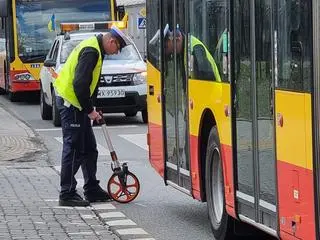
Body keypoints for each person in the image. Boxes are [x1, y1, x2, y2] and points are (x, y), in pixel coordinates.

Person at [53, 26, 131, 207]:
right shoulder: (91, 51)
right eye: (117, 48)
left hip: (77, 104)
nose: (115, 52)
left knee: (89, 148)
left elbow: (90, 83)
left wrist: (93, 108)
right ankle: (67, 193)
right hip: (71, 104)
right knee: (73, 150)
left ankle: (91, 188)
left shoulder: (96, 48)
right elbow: (80, 84)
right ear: (112, 42)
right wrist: (89, 111)